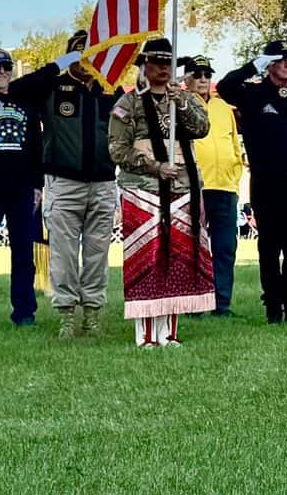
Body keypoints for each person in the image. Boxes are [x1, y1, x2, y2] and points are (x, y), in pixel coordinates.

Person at [3, 31, 120, 339]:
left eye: (90, 52)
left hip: (104, 184)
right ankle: (67, 315)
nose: (84, 60)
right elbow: (15, 90)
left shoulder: (111, 89)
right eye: (78, 54)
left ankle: (92, 315)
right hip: (63, 184)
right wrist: (58, 65)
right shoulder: (52, 87)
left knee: (97, 255)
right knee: (64, 256)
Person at [109, 38, 212, 347]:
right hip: (143, 190)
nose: (164, 68)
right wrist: (154, 166)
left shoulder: (184, 99)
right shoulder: (128, 104)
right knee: (148, 258)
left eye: (169, 63)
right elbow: (117, 149)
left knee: (178, 258)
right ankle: (146, 334)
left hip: (182, 188)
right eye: (157, 62)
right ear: (145, 66)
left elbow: (202, 128)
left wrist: (180, 102)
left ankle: (170, 332)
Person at [217, 41, 287, 322]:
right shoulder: (253, 94)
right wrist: (253, 65)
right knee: (270, 245)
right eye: (281, 59)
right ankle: (273, 305)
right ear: (270, 63)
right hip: (267, 180)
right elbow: (224, 87)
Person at [0, 48, 42, 329]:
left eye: (6, 68)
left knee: (23, 253)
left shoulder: (25, 103)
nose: (2, 72)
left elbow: (36, 146)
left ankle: (25, 311)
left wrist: (38, 184)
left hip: (22, 187)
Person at [184, 54, 244, 318]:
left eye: (207, 75)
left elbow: (233, 144)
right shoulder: (181, 104)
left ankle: (222, 303)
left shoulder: (222, 108)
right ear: (186, 79)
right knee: (193, 247)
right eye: (197, 75)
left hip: (225, 186)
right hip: (194, 186)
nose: (203, 80)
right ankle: (194, 302)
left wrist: (234, 175)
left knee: (225, 247)